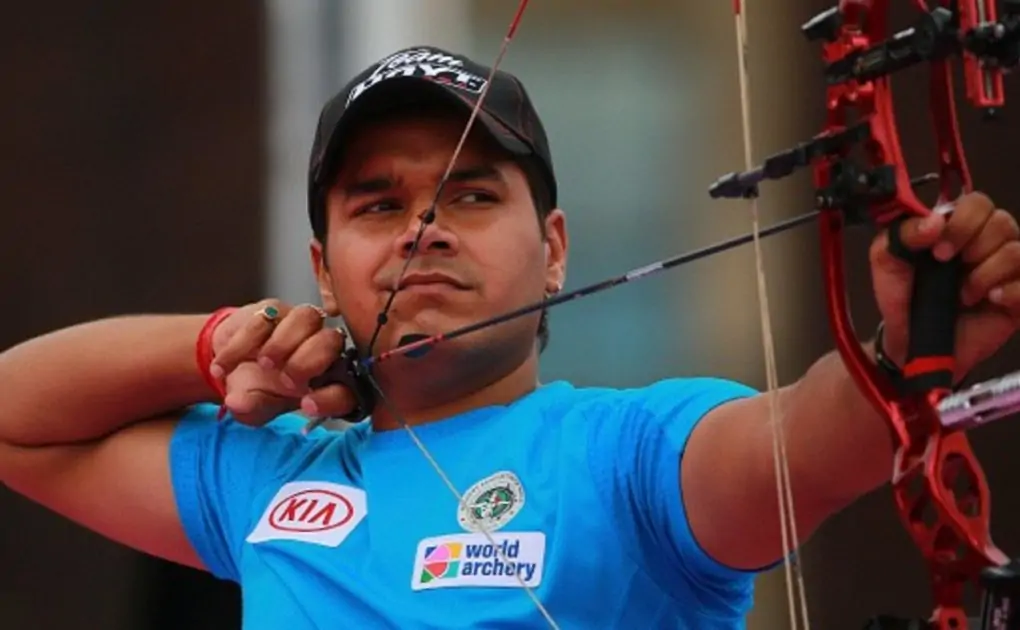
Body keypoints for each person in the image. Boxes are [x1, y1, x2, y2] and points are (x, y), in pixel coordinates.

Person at [2, 45, 1019, 629]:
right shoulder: (268, 482)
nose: (422, 228)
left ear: (556, 251)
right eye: (376, 204)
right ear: (323, 271)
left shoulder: (634, 454)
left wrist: (907, 349)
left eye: (472, 194)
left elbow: (814, 438)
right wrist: (220, 338)